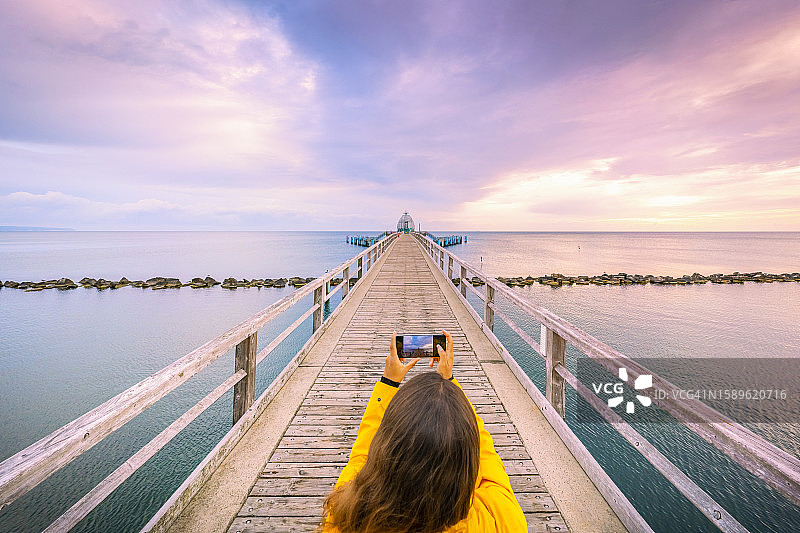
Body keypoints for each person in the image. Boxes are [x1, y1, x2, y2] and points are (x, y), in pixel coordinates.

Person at [320, 330, 527, 533]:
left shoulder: (346, 516)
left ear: (386, 450)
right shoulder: (500, 519)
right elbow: (487, 455)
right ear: (466, 463)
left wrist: (388, 383)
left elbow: (360, 458)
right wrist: (450, 385)